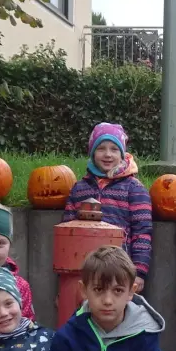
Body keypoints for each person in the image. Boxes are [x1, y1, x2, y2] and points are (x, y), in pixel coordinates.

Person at [62, 123, 152, 291]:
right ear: (92, 152)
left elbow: (142, 232)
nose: (108, 154)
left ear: (122, 154)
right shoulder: (79, 188)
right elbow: (68, 231)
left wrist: (139, 271)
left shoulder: (134, 188)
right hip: (83, 266)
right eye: (101, 148)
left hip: (119, 268)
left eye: (114, 149)